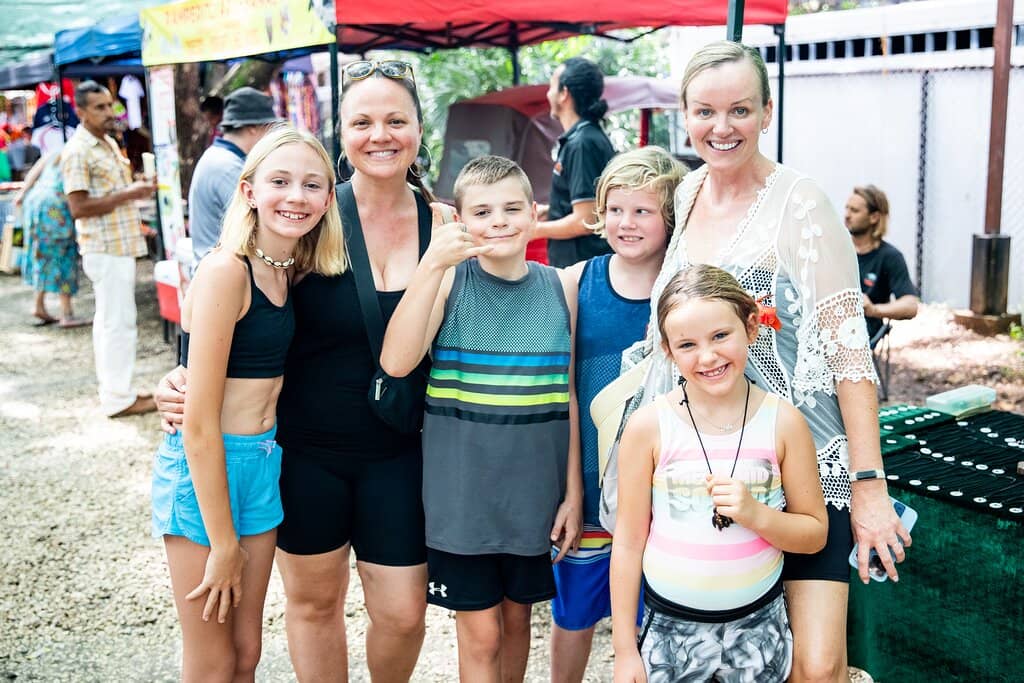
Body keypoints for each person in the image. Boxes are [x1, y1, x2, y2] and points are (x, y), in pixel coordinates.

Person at [157, 59, 438, 682]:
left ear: (420, 128)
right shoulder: (314, 216)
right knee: (309, 607)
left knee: (402, 613)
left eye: (397, 119)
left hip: (398, 448)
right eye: (362, 121)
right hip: (301, 452)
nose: (381, 134)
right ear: (343, 131)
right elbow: (233, 321)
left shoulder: (440, 222)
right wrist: (176, 379)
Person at [642, 42, 911, 682]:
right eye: (705, 111)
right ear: (685, 116)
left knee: (817, 668)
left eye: (739, 109)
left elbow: (849, 352)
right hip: (708, 465)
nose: (722, 127)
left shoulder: (803, 204)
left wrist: (869, 485)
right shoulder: (685, 195)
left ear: (767, 111)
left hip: (805, 463)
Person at [152, 125, 345, 682]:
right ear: (248, 190)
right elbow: (200, 426)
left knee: (246, 653)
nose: (296, 196)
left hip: (262, 466)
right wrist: (222, 542)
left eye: (312, 185)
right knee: (212, 663)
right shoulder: (224, 272)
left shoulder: (290, 271)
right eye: (279, 181)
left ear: (328, 199)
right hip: (207, 471)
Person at [379, 155, 582, 682]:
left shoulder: (562, 287)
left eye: (513, 208)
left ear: (534, 215)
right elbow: (396, 362)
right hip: (462, 502)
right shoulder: (451, 284)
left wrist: (572, 494)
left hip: (532, 500)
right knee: (483, 635)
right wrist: (431, 266)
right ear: (460, 221)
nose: (499, 221)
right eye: (483, 211)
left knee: (518, 625)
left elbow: (571, 399)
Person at [611, 265, 828, 683]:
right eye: (688, 344)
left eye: (720, 336)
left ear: (750, 327)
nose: (707, 357)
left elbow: (814, 532)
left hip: (759, 631)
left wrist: (756, 514)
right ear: (668, 350)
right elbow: (628, 542)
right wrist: (624, 649)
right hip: (671, 635)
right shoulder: (648, 427)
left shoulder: (784, 423)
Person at [550, 146, 685, 683]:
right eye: (615, 209)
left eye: (642, 211)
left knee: (655, 619)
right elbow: (565, 395)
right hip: (588, 481)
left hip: (665, 491)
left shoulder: (683, 289)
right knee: (575, 613)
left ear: (670, 218)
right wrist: (571, 491)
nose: (625, 224)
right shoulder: (575, 282)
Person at [62, 80, 158, 418]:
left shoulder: (105, 144)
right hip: (105, 247)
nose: (108, 113)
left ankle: (118, 391)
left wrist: (134, 191)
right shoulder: (79, 150)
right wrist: (131, 194)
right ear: (81, 112)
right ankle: (119, 398)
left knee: (114, 322)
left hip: (118, 243)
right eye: (99, 107)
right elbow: (78, 206)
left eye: (110, 106)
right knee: (117, 323)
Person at [535, 57, 616, 268]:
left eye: (552, 86)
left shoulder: (582, 143)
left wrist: (533, 230)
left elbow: (585, 219)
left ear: (564, 94)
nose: (548, 93)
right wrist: (552, 210)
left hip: (581, 267)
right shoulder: (583, 137)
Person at [189, 88, 282, 272]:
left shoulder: (221, 157)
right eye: (270, 129)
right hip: (220, 277)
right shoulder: (228, 167)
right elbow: (258, 225)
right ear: (254, 128)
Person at [15, 151, 89, 328]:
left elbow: (33, 174)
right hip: (56, 206)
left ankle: (38, 305)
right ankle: (67, 313)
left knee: (41, 255)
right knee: (63, 257)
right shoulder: (77, 153)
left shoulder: (55, 151)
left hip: (35, 203)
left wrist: (22, 194)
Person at [844, 185, 919, 341]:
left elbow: (910, 305)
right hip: (826, 320)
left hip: (862, 329)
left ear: (874, 217)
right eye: (847, 208)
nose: (847, 215)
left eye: (855, 211)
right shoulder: (835, 248)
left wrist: (873, 310)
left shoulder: (890, 256)